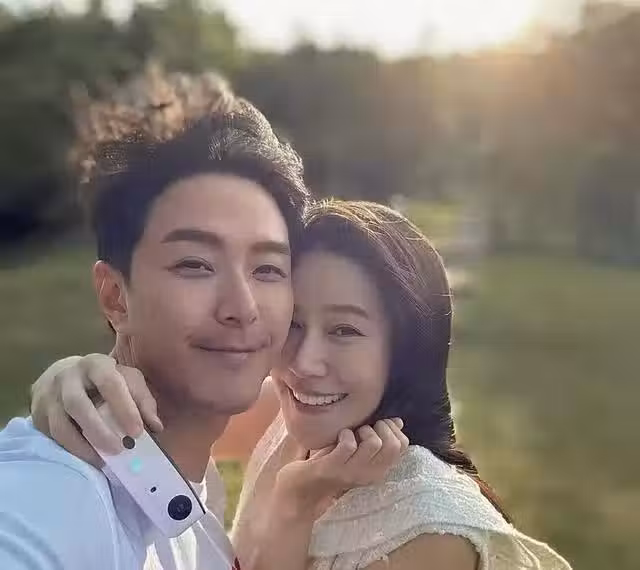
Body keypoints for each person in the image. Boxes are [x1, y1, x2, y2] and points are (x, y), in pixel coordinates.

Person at [0, 68, 406, 570]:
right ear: (115, 296)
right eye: (195, 264)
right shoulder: (55, 497)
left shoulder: (179, 476)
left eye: (267, 269)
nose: (242, 306)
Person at [29, 200, 574, 569]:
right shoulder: (292, 417)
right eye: (293, 322)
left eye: (344, 331)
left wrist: (295, 503)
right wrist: (81, 379)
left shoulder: (430, 534)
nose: (305, 363)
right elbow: (157, 427)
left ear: (406, 347)